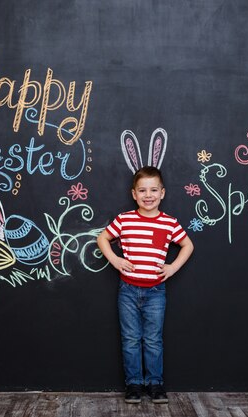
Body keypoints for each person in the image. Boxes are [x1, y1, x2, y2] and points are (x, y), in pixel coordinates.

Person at [96, 166, 194, 404]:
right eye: (142, 190)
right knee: (130, 339)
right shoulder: (125, 219)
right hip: (128, 290)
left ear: (162, 193)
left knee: (153, 339)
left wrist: (172, 268)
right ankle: (134, 385)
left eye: (153, 190)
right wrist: (116, 260)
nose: (148, 195)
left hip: (155, 292)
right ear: (134, 194)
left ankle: (155, 384)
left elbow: (188, 245)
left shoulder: (169, 223)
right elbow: (102, 238)